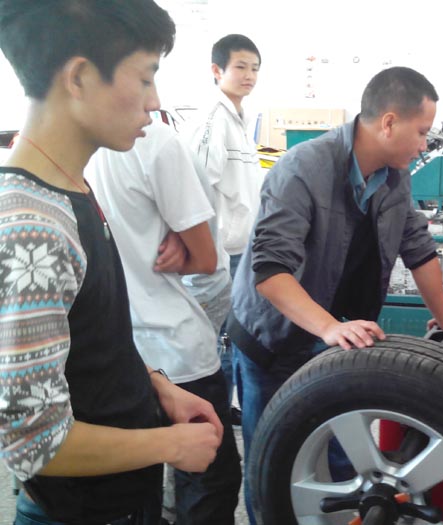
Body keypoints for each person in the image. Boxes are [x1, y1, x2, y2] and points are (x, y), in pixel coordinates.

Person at [227, 66, 443, 523]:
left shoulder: (394, 177)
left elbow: (418, 248)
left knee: (343, 452)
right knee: (271, 467)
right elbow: (270, 273)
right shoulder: (303, 168)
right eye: (422, 132)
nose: (424, 145)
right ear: (389, 122)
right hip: (272, 341)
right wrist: (329, 328)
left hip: (332, 339)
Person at [0, 2, 223, 524]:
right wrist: (170, 445)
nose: (155, 102)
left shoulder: (69, 186)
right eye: (144, 78)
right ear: (79, 77)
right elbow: (33, 443)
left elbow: (90, 341)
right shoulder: (33, 229)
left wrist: (157, 387)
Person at [87, 119, 241, 524]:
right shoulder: (153, 140)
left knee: (136, 488)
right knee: (208, 482)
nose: (153, 99)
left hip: (113, 350)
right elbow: (206, 259)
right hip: (174, 347)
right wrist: (182, 242)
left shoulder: (72, 152)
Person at [183, 34, 265, 412]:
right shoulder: (212, 121)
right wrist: (207, 260)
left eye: (255, 69)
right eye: (240, 67)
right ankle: (212, 415)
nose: (249, 75)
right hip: (218, 257)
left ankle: (221, 408)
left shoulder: (239, 121)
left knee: (230, 339)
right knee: (216, 342)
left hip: (239, 253)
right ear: (217, 71)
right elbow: (195, 194)